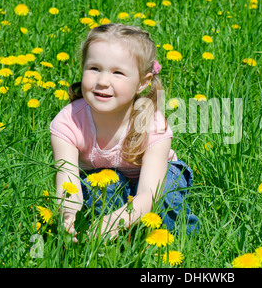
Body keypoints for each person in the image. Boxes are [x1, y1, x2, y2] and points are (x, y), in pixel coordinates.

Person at [49, 23, 199, 242]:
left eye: (118, 73)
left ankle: (173, 242)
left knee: (165, 193)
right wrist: (68, 214)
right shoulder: (68, 122)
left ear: (142, 83)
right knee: (95, 187)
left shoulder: (153, 124)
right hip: (110, 179)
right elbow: (67, 179)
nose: (102, 81)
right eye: (94, 68)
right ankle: (109, 241)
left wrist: (117, 220)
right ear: (82, 67)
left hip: (154, 180)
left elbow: (150, 193)